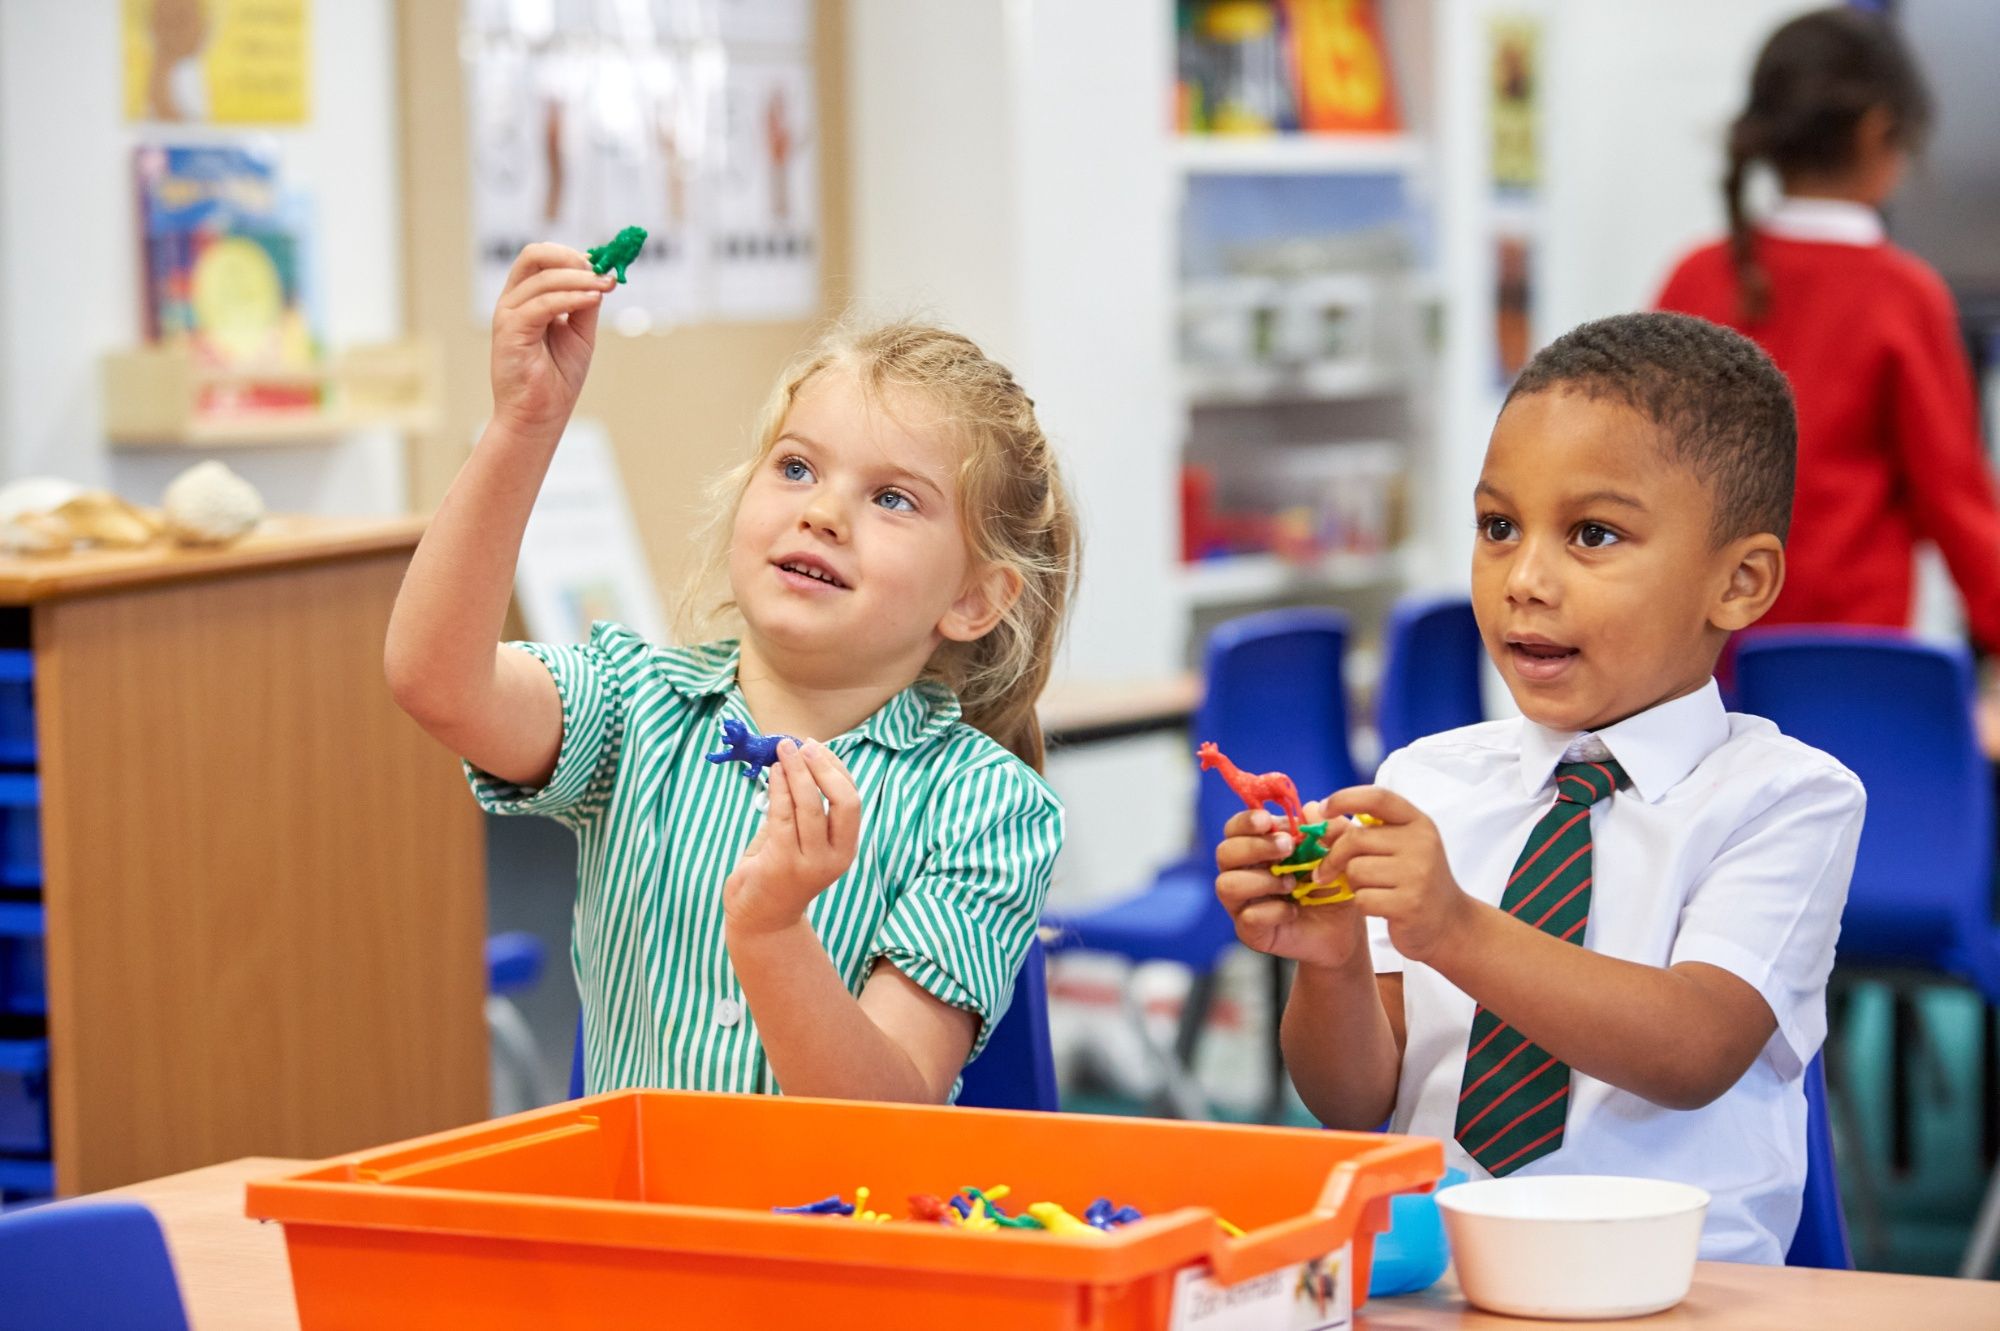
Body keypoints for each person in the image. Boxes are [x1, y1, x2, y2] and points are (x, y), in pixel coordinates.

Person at [1214, 313, 1864, 1263]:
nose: (1523, 577)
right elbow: (1356, 1099)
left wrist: (1454, 929)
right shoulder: (1427, 779)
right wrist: (1334, 960)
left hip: (1680, 1290)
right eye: (1498, 526)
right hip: (1440, 1275)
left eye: (1592, 534)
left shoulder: (1785, 798)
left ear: (1739, 582)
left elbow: (1691, 1048)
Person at [385, 244, 1078, 1104]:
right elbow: (434, 679)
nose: (821, 512)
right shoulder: (636, 706)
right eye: (796, 467)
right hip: (636, 1233)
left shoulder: (988, 806)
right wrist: (523, 425)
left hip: (830, 1238)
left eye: (892, 498)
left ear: (976, 598)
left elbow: (887, 1112)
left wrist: (774, 931)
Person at [1656, 6, 2000, 658]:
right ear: (1878, 134)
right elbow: (1958, 508)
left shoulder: (1694, 280)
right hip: (1846, 682)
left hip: (1700, 680)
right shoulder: (1903, 295)